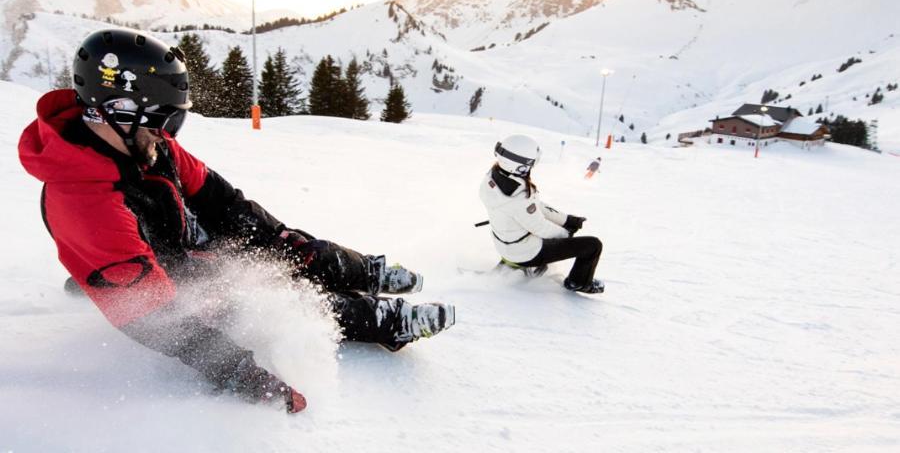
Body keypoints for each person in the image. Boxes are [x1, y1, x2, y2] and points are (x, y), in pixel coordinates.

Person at [18, 28, 455, 414]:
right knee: (270, 300)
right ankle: (382, 320)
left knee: (282, 248)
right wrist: (239, 374)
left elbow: (222, 202)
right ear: (119, 110)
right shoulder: (86, 204)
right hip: (169, 283)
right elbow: (157, 318)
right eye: (162, 119)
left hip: (186, 245)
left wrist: (285, 243)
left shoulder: (150, 145)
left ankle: (365, 270)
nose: (168, 132)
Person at [478, 135, 604, 294]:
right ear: (520, 167)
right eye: (530, 164)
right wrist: (566, 234)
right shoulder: (518, 197)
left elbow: (534, 205)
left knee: (553, 231)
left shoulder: (494, 176)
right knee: (593, 246)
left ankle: (532, 264)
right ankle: (579, 283)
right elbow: (541, 227)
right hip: (526, 253)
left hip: (505, 244)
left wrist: (566, 219)